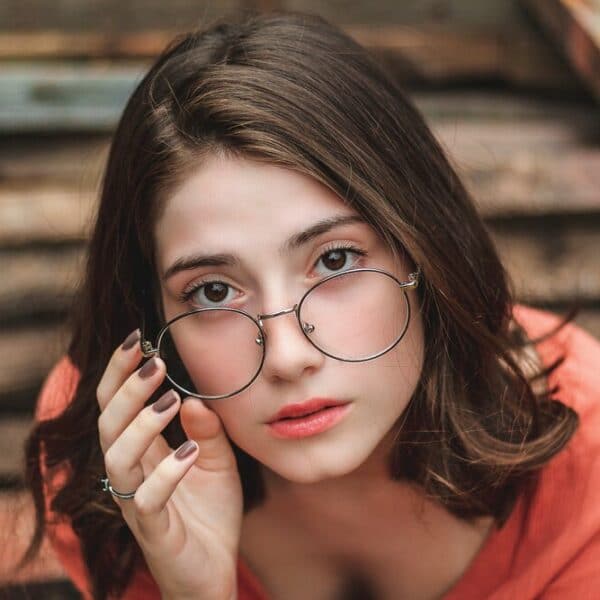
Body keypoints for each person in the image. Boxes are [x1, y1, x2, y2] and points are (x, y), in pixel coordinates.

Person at [20, 10, 600, 600]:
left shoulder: (588, 459)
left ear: (424, 251)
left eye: (336, 261)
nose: (288, 357)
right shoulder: (115, 459)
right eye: (214, 291)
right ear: (154, 313)